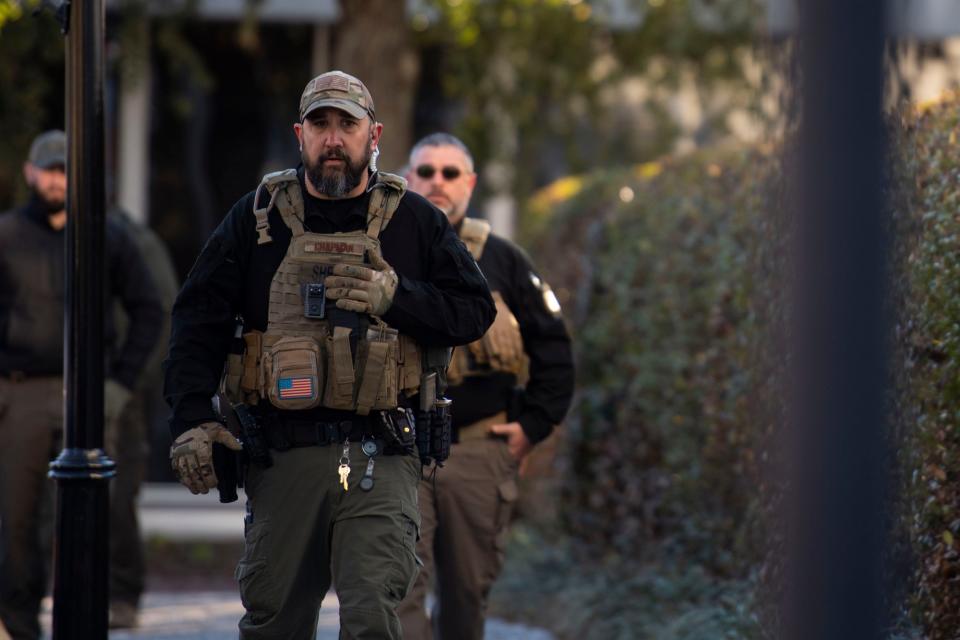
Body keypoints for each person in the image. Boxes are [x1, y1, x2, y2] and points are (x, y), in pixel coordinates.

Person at [163, 71, 495, 639]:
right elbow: (197, 321)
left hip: (383, 455)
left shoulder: (414, 219)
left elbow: (474, 310)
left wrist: (397, 297)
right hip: (282, 455)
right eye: (320, 124)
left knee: (372, 618)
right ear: (300, 133)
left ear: (374, 134)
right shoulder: (254, 219)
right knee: (275, 622)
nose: (333, 138)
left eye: (347, 124)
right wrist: (193, 418)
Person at [397, 133, 575, 640]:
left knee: (467, 595)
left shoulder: (504, 260)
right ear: (408, 179)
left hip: (477, 451)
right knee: (397, 589)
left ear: (470, 183)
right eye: (426, 171)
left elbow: (554, 349)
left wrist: (533, 426)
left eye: (450, 173)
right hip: (397, 450)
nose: (437, 182)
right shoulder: (385, 249)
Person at [0, 130, 164, 639]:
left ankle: (99, 611)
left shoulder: (107, 236)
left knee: (101, 509)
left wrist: (120, 383)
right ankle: (17, 620)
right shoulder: (6, 235)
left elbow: (150, 310)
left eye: (65, 170)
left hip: (90, 395)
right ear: (30, 173)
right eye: (48, 170)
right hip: (21, 391)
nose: (56, 180)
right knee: (15, 516)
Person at [106, 207, 180, 629]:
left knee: (116, 496)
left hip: (121, 389)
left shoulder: (131, 240)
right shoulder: (31, 232)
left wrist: (130, 381)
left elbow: (161, 313)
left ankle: (122, 593)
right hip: (48, 382)